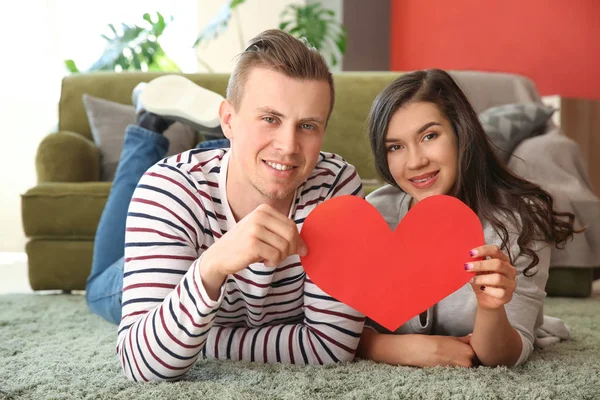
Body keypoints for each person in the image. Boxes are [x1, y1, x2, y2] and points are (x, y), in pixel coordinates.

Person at [85, 29, 366, 382]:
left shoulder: (336, 189)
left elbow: (329, 347)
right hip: (178, 263)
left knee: (264, 158)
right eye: (270, 119)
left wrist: (199, 340)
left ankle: (229, 146)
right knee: (97, 287)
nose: (290, 145)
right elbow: (142, 363)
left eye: (307, 126)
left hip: (223, 188)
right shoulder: (169, 188)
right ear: (230, 118)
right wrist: (211, 266)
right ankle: (148, 123)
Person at [357, 69, 578, 368]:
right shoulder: (374, 216)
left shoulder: (520, 221)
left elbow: (503, 357)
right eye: (395, 147)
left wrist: (490, 310)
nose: (416, 161)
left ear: (461, 133)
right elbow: (337, 328)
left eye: (429, 136)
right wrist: (396, 348)